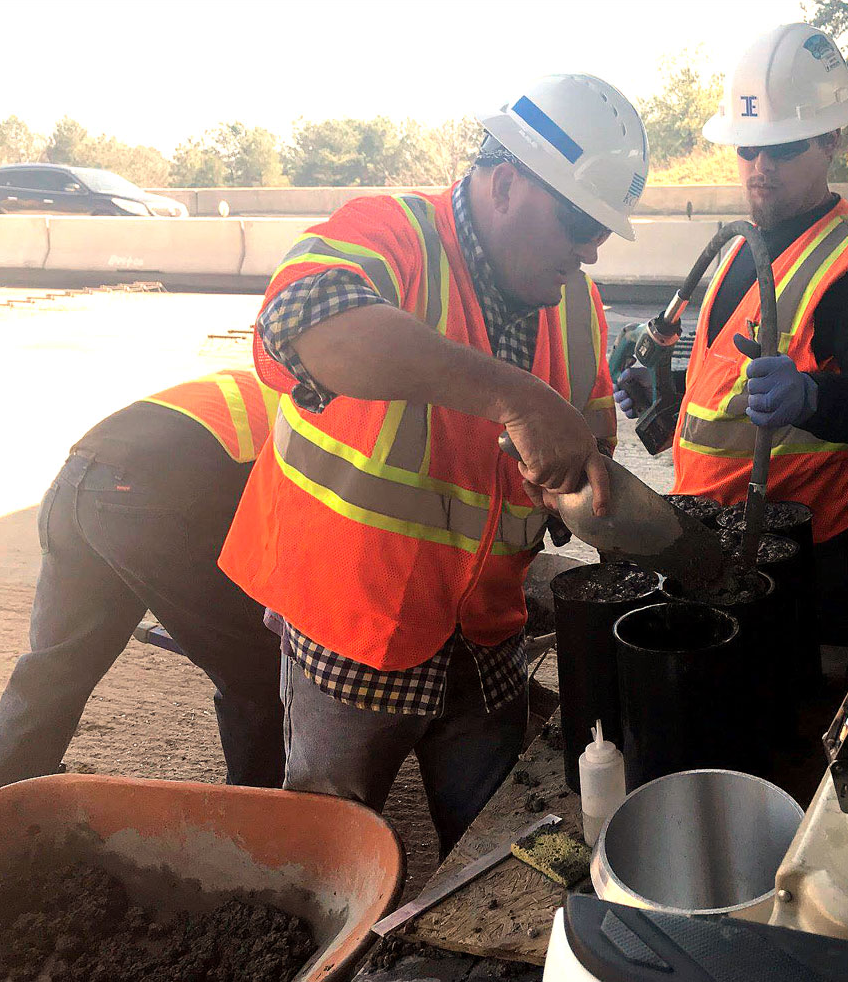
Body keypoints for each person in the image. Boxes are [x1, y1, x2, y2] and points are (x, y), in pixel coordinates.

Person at [219, 75, 646, 855]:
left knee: (497, 857)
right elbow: (303, 322)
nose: (590, 249)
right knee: (327, 858)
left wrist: (580, 491)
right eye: (579, 222)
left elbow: (586, 445)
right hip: (354, 635)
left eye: (601, 232)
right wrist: (513, 396)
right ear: (508, 182)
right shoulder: (394, 233)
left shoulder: (576, 303)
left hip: (485, 645)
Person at [616, 24, 848, 638]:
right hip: (704, 536)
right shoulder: (741, 246)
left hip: (796, 561)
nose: (761, 167)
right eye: (748, 149)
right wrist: (669, 395)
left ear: (831, 139)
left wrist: (813, 397)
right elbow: (731, 392)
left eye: (783, 149)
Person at [0, 369, 284, 798]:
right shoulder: (311, 413)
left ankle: (1, 794)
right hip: (147, 496)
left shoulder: (256, 384)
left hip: (73, 486)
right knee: (256, 669)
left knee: (58, 659)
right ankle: (263, 812)